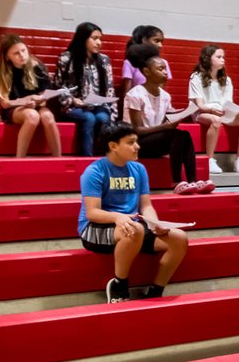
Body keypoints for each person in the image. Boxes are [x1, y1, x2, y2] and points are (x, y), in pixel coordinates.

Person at [78, 121, 190, 303]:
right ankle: (119, 285)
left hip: (131, 227)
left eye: (136, 141)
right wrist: (117, 217)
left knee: (179, 239)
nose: (137, 146)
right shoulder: (94, 171)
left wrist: (155, 223)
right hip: (94, 229)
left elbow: (146, 206)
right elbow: (92, 213)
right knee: (135, 229)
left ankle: (155, 291)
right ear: (113, 146)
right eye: (130, 142)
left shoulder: (139, 169)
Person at [125, 55, 214, 195]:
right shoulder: (135, 94)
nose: (165, 72)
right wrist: (165, 127)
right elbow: (137, 130)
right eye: (160, 69)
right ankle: (177, 182)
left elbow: (168, 117)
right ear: (147, 72)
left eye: (165, 68)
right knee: (176, 135)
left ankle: (193, 181)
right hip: (137, 143)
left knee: (185, 134)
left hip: (156, 140)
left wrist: (181, 115)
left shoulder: (165, 96)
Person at [0, 34, 63, 157]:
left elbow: (45, 97)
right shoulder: (0, 71)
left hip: (35, 105)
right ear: (7, 57)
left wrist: (39, 101)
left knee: (48, 116)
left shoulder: (37, 66)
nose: (22, 55)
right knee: (32, 116)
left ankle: (58, 158)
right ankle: (20, 159)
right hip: (14, 108)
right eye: (16, 53)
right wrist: (23, 101)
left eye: (23, 50)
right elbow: (5, 103)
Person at [55, 21, 116, 156]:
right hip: (74, 106)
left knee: (102, 118)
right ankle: (86, 159)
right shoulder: (66, 58)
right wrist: (72, 100)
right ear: (83, 38)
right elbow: (59, 86)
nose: (99, 43)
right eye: (94, 39)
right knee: (89, 118)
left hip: (98, 106)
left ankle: (104, 159)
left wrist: (113, 112)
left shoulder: (104, 60)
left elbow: (110, 89)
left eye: (100, 39)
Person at [188, 44, 239, 174]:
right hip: (203, 112)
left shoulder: (227, 80)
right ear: (208, 58)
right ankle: (210, 160)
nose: (223, 59)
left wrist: (235, 111)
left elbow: (228, 103)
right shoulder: (196, 77)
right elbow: (199, 105)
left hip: (221, 112)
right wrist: (211, 110)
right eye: (219, 57)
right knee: (216, 120)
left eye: (223, 57)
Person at [120, 25, 170, 96]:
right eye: (156, 41)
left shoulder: (163, 63)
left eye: (161, 42)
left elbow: (161, 89)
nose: (160, 45)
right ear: (144, 40)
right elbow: (127, 91)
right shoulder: (130, 63)